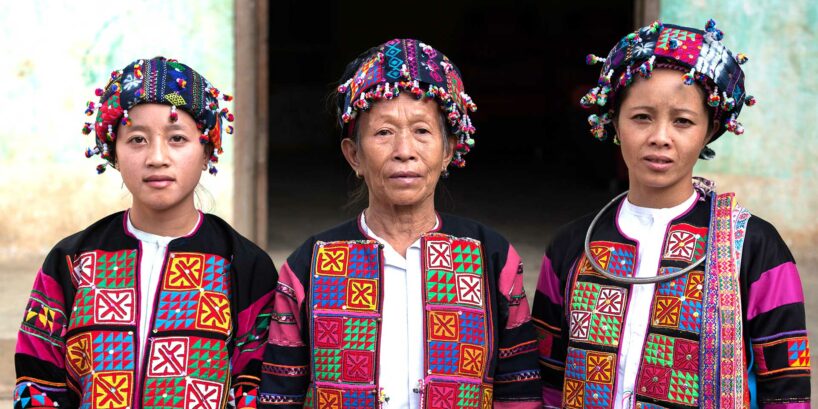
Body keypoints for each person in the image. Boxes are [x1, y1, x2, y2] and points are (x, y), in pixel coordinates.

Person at [532, 20, 811, 409]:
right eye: (641, 117)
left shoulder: (758, 249)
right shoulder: (571, 247)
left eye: (682, 121)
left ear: (710, 129)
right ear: (614, 121)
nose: (660, 137)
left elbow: (787, 389)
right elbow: (547, 380)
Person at [259, 39, 541, 409]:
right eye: (383, 132)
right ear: (354, 155)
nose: (404, 150)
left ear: (448, 151)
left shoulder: (492, 257)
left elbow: (519, 391)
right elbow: (279, 396)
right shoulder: (308, 265)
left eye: (422, 131)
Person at [14, 57, 277, 409]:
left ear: (207, 151)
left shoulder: (243, 266)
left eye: (177, 138)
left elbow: (256, 388)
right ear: (113, 152)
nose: (157, 157)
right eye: (137, 139)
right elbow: (37, 381)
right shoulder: (72, 262)